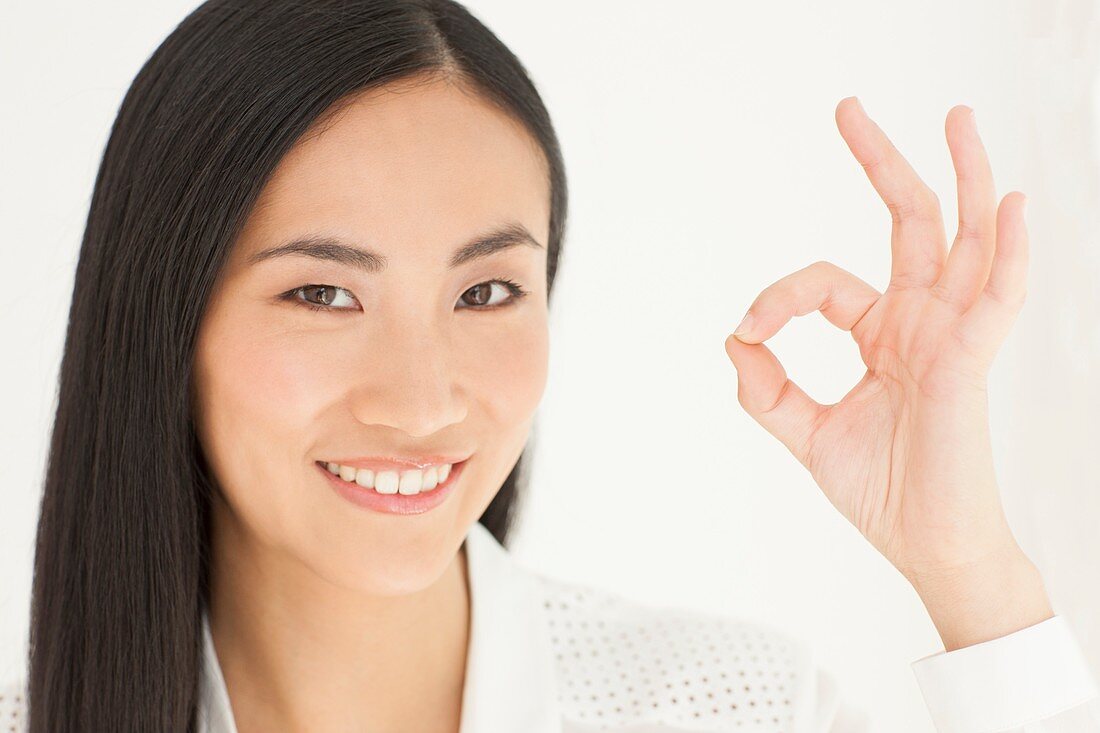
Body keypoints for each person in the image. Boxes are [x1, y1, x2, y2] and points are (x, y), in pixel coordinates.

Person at [2, 1, 1097, 731]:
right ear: (161, 320)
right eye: (323, 293)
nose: (422, 398)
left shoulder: (724, 712)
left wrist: (968, 569)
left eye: (485, 292)